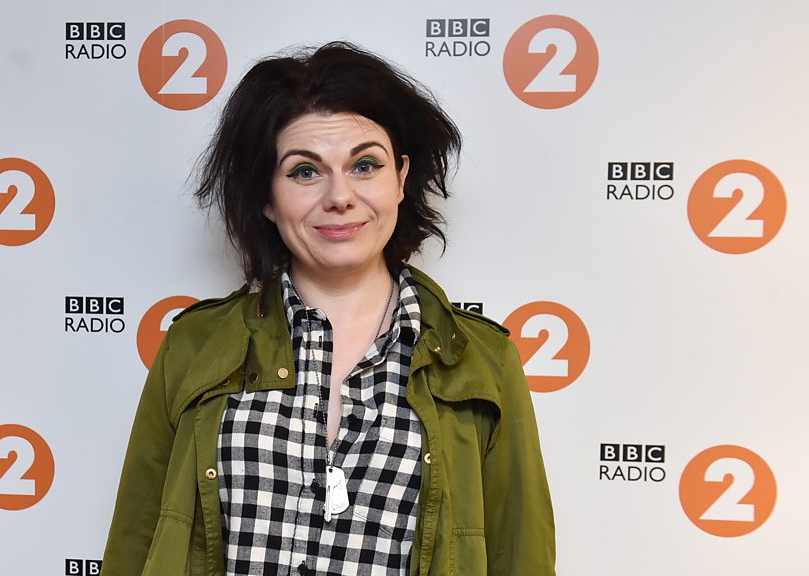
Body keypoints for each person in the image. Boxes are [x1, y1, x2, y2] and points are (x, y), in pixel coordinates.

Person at [102, 41, 555, 575]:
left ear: (400, 178)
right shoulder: (194, 345)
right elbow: (134, 542)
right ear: (266, 197)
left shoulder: (483, 363)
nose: (339, 196)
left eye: (365, 165)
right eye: (304, 172)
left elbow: (520, 557)